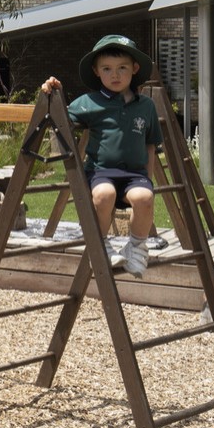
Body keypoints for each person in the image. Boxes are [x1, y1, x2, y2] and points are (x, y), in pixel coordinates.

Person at [40, 33, 162, 277]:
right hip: (100, 172)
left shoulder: (145, 105)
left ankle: (136, 247)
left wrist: (147, 178)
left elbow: (150, 145)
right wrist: (54, 92)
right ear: (96, 71)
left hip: (134, 174)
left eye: (122, 68)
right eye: (107, 69)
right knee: (104, 195)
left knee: (145, 197)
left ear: (134, 69)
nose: (114, 75)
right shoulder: (89, 102)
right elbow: (59, 118)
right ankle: (101, 244)